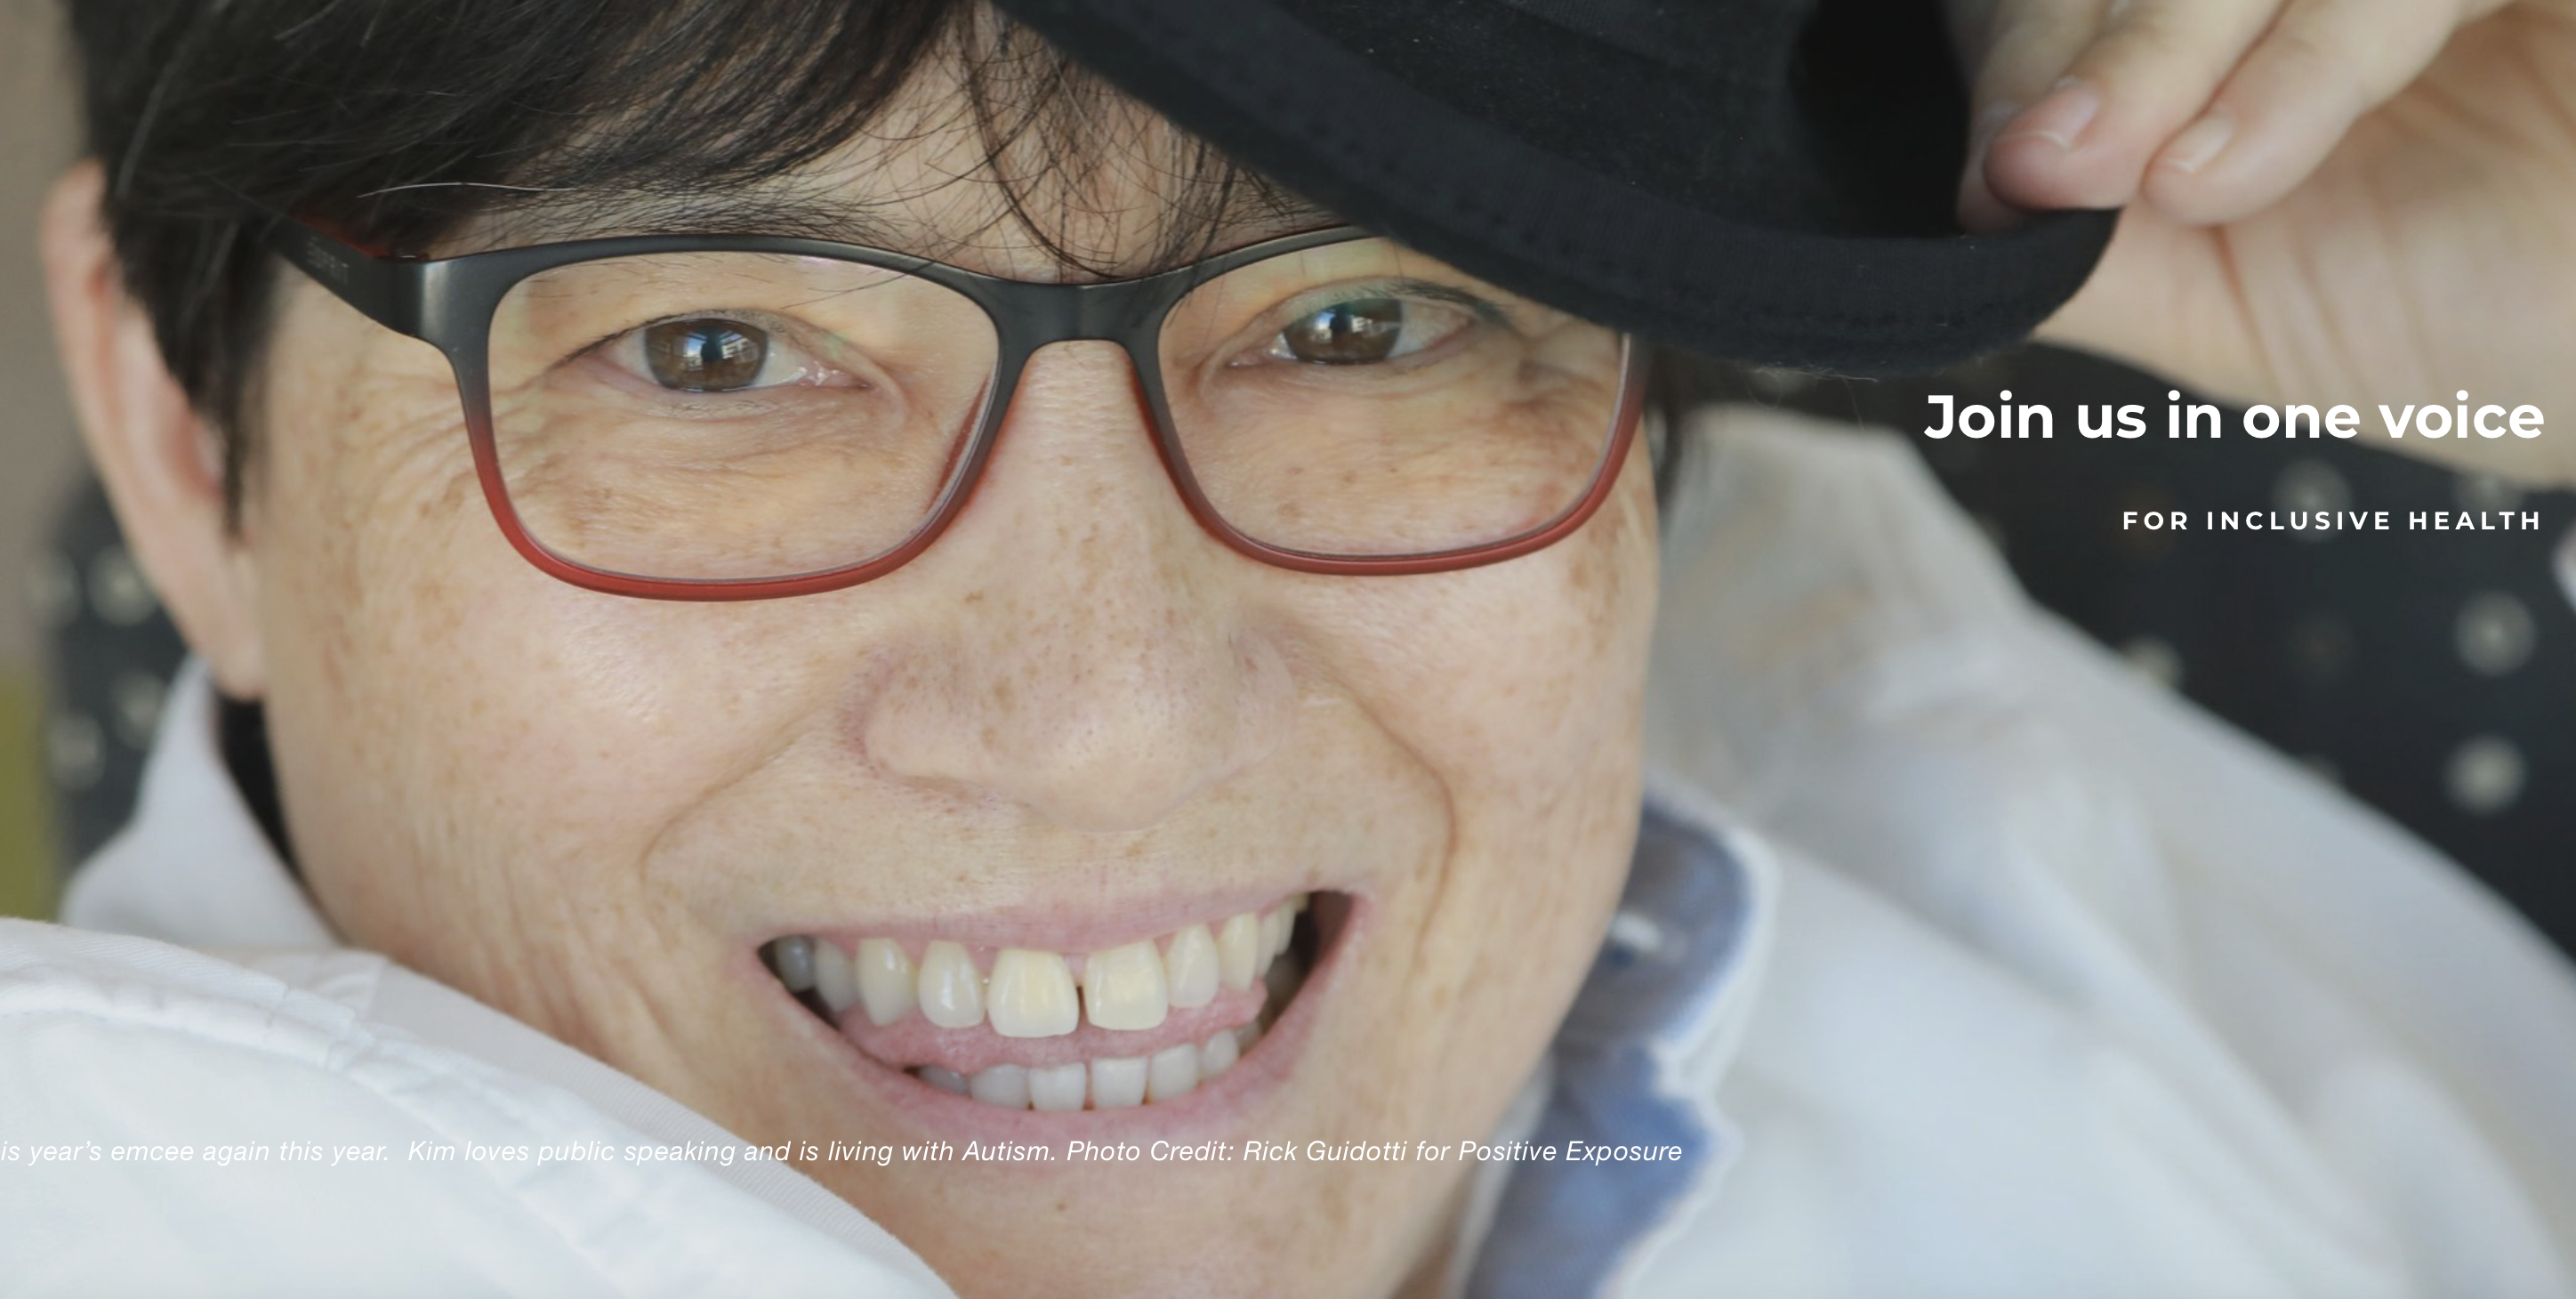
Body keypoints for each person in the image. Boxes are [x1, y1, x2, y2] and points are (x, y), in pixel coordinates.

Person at [4, 1, 2572, 1296]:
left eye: (1367, 326)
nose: (1113, 711)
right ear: (178, 435)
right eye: (714, 352)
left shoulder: (1937, 810)